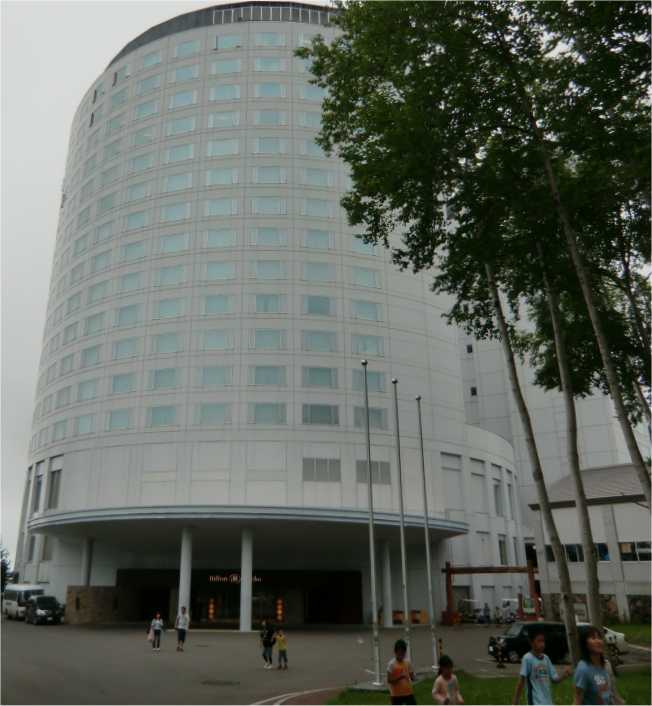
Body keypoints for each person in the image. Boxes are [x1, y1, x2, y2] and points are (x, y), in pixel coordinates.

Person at [513, 628, 571, 704]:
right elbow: (521, 682)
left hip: (548, 702)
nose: (542, 644)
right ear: (531, 642)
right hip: (535, 702)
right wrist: (515, 702)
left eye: (543, 641)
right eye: (539, 641)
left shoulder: (546, 659)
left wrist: (564, 675)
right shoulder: (527, 658)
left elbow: (555, 679)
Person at [574, 626, 622, 705]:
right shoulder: (583, 669)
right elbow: (577, 701)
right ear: (585, 644)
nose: (598, 641)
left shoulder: (606, 665)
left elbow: (612, 695)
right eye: (593, 638)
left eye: (599, 638)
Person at [386, 638, 416, 705]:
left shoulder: (407, 663)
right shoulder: (391, 664)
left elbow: (412, 676)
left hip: (408, 692)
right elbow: (389, 680)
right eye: (399, 652)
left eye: (403, 652)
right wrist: (400, 677)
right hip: (396, 695)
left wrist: (413, 677)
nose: (401, 655)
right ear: (395, 652)